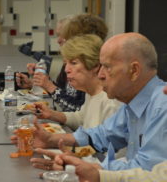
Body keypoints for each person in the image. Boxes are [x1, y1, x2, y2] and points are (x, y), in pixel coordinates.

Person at [14, 32, 167, 171]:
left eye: (107, 67)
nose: (100, 75)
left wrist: (89, 168)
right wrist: (51, 139)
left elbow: (149, 169)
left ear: (134, 71)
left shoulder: (162, 107)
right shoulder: (132, 104)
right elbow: (102, 134)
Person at [16, 14, 108, 112]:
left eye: (65, 37)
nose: (59, 40)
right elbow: (64, 92)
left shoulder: (93, 71)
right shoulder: (71, 64)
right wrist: (39, 84)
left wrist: (50, 86)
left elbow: (79, 111)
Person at [33, 34, 121, 130]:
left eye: (73, 63)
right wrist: (51, 114)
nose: (66, 70)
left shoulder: (110, 103)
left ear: (95, 66)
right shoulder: (91, 93)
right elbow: (80, 118)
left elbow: (106, 143)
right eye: (66, 63)